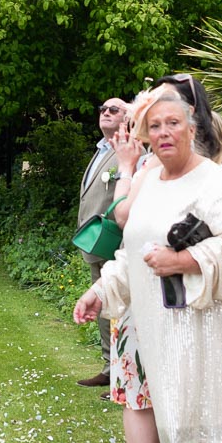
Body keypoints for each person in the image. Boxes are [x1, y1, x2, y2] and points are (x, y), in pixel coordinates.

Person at [76, 84, 222, 443]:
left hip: (207, 333)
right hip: (166, 337)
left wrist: (183, 259)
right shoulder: (151, 184)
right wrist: (99, 292)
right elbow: (133, 252)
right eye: (154, 125)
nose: (163, 133)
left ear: (192, 126)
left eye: (172, 124)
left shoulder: (213, 179)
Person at [75, 96, 129, 387]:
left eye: (113, 110)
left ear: (127, 118)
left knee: (118, 307)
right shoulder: (100, 149)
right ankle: (109, 369)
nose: (105, 113)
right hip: (96, 241)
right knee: (101, 307)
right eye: (102, 109)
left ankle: (122, 373)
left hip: (116, 242)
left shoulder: (129, 151)